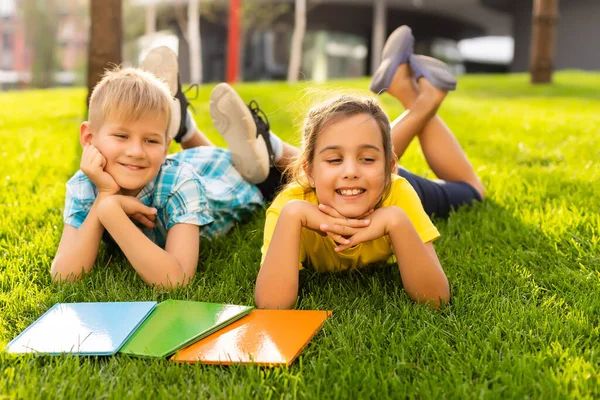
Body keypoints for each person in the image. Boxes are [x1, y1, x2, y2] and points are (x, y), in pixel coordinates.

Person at [254, 26, 485, 309]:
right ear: (309, 171)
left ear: (390, 166)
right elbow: (271, 307)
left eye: (367, 159)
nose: (350, 170)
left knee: (473, 191)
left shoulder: (398, 195)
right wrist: (292, 216)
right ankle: (415, 95)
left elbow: (435, 300)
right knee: (366, 145)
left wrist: (396, 222)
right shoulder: (291, 205)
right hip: (364, 185)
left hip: (380, 190)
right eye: (334, 160)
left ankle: (417, 97)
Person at [50, 47, 290, 288]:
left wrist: (111, 210)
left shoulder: (180, 185)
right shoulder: (84, 184)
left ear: (166, 147)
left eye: (151, 140)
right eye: (121, 136)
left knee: (296, 175)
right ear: (88, 137)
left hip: (239, 180)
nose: (136, 151)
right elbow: (64, 276)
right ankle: (183, 126)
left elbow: (177, 279)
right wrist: (104, 195)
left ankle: (269, 147)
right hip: (194, 164)